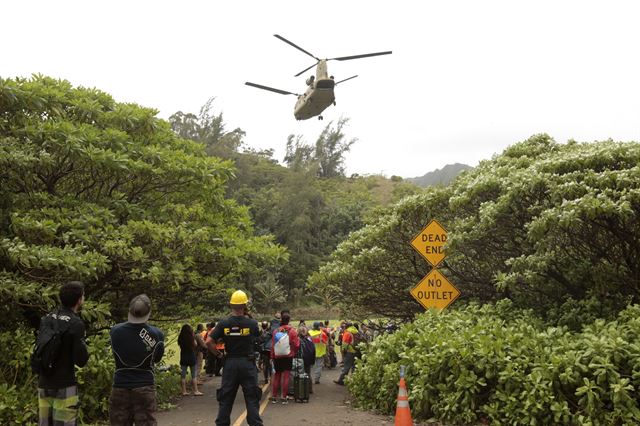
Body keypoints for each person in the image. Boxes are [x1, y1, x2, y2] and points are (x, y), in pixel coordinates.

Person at [36, 281, 89, 426]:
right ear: (79, 300)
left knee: (44, 424)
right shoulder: (76, 323)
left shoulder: (47, 318)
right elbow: (81, 360)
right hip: (65, 386)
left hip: (44, 384)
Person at [206, 290, 263, 426]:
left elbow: (208, 341)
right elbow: (258, 337)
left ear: (231, 306)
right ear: (245, 305)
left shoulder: (223, 324)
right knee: (252, 398)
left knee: (226, 398)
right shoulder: (252, 324)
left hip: (230, 363)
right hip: (247, 363)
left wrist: (219, 355)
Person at [109, 294, 165, 425]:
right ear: (149, 313)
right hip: (144, 385)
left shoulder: (115, 331)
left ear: (130, 311)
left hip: (120, 385)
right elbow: (157, 359)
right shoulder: (157, 334)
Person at [270, 312, 299, 404]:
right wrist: (293, 351)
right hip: (288, 356)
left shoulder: (276, 331)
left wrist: (272, 355)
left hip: (277, 356)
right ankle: (283, 397)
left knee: (277, 375)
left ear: (281, 320)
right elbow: (297, 344)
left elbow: (273, 345)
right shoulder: (292, 331)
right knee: (286, 376)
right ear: (289, 320)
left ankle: (274, 397)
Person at [178, 324, 203, 396]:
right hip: (191, 356)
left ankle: (184, 391)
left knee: (183, 376)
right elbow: (195, 345)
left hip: (183, 356)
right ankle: (195, 390)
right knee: (194, 375)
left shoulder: (180, 338)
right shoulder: (191, 338)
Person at [297, 326, 316, 393]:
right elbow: (313, 350)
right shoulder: (309, 340)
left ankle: (301, 389)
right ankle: (309, 389)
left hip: (300, 360)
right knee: (308, 374)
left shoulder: (298, 340)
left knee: (299, 374)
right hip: (308, 360)